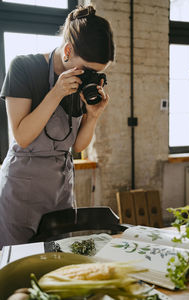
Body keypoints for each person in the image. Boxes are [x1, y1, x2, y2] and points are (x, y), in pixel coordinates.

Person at [0, 5, 114, 248]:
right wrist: (56, 93)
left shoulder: (83, 82)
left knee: (59, 262)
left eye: (98, 73)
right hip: (21, 190)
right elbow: (22, 136)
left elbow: (76, 147)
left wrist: (93, 116)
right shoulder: (23, 68)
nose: (90, 77)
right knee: (19, 268)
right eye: (88, 69)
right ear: (68, 50)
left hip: (60, 190)